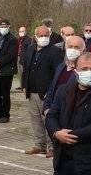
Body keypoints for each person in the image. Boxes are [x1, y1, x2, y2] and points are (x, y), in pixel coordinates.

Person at [21, 25, 64, 155]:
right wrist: (24, 85)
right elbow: (26, 69)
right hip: (31, 90)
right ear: (35, 37)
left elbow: (58, 73)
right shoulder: (30, 49)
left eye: (46, 35)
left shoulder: (55, 51)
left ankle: (52, 146)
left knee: (48, 119)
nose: (44, 38)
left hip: (46, 92)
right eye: (41, 36)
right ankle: (39, 144)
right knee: (35, 119)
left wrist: (52, 91)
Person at [43, 35, 86, 113]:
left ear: (83, 50)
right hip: (53, 111)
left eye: (76, 47)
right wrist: (46, 108)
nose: (73, 50)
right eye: (70, 47)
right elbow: (52, 88)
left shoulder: (85, 71)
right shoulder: (61, 67)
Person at [0, 19, 18, 122]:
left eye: (5, 26)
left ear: (9, 26)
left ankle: (5, 115)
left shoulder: (12, 39)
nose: (3, 28)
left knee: (5, 93)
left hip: (6, 70)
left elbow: (10, 55)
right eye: (1, 26)